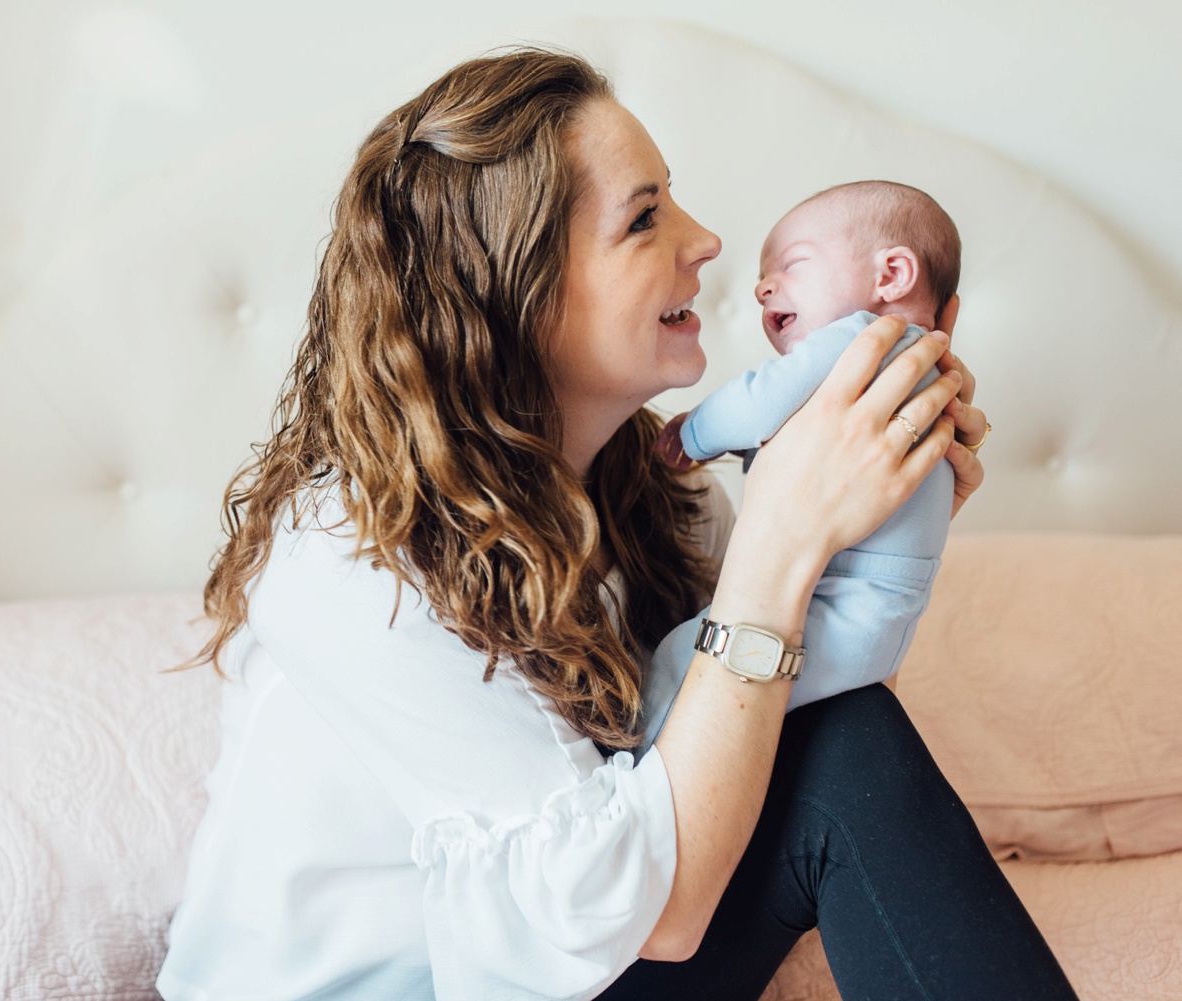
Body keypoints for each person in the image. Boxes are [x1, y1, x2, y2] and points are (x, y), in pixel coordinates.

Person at [156, 48, 1077, 1001]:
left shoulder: (657, 489)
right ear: (515, 291)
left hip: (587, 956)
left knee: (842, 735)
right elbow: (644, 913)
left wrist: (879, 523)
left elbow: (761, 707)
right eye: (644, 218)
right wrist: (782, 543)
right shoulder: (349, 553)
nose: (709, 238)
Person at [656, 182, 975, 714]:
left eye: (791, 265)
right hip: (877, 617)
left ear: (891, 275)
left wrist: (696, 432)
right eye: (762, 278)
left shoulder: (866, 336)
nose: (763, 288)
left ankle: (637, 756)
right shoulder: (920, 368)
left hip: (838, 599)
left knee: (678, 665)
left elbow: (761, 402)